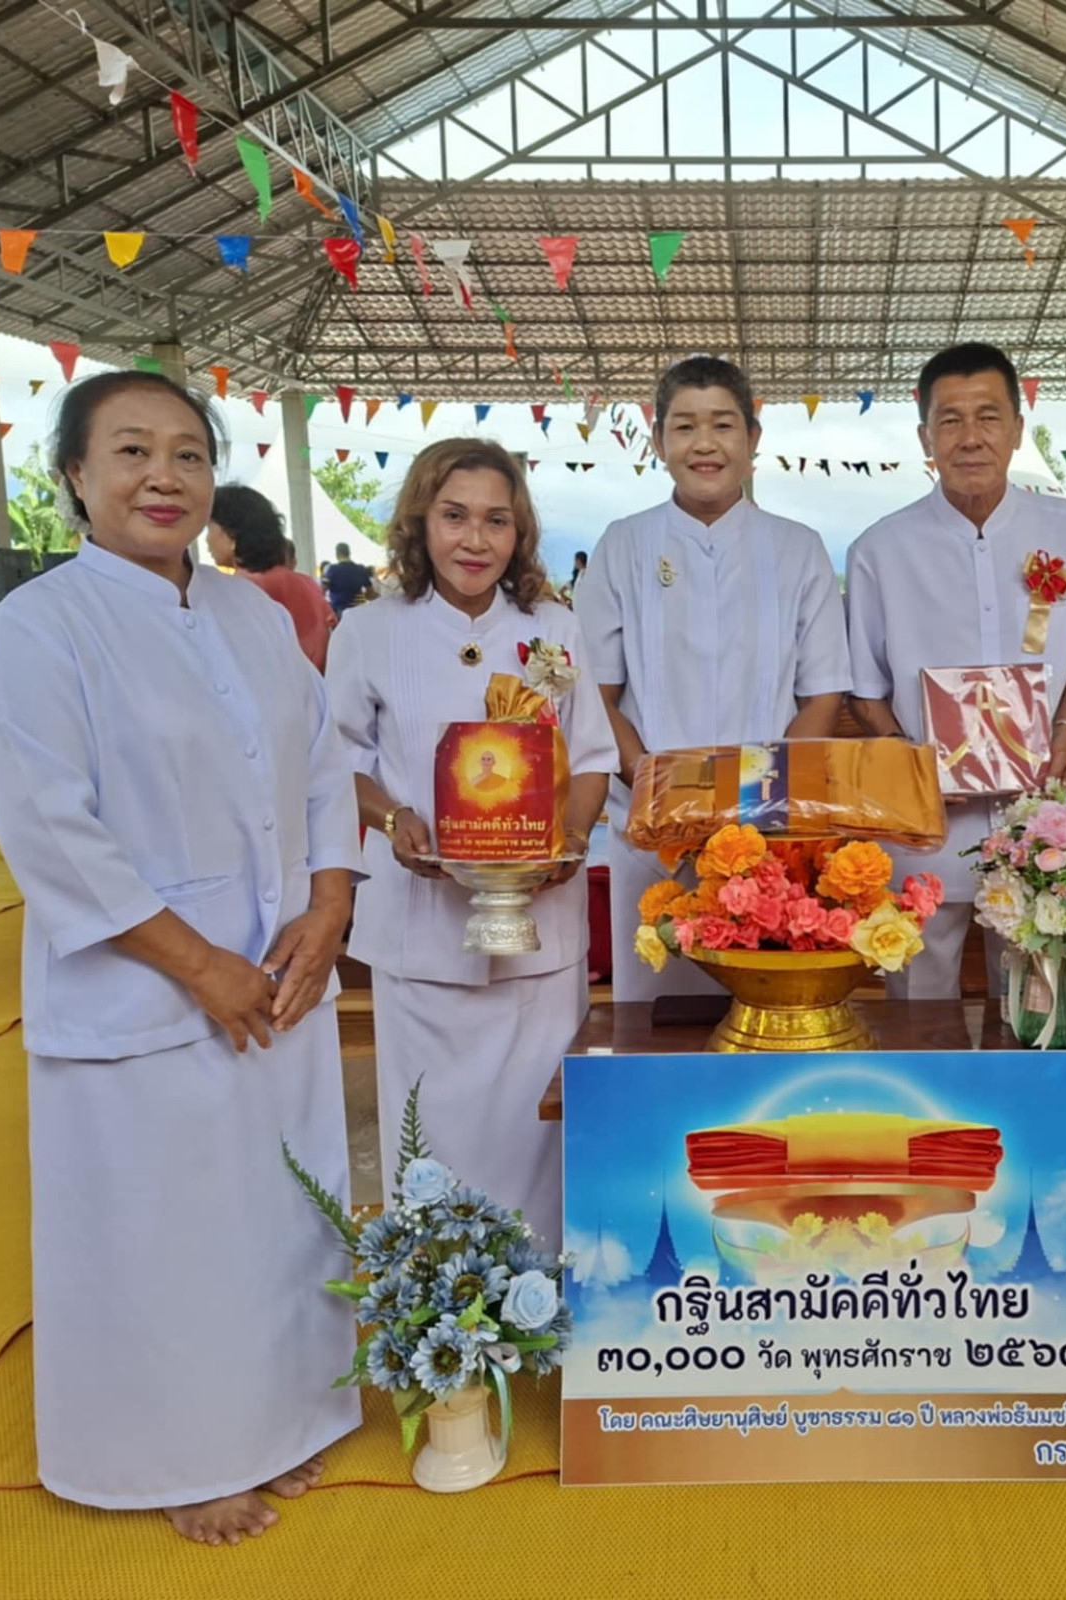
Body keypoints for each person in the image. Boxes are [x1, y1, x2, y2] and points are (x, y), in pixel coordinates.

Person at [0, 372, 361, 1547]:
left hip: (282, 975)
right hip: (145, 986)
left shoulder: (250, 614)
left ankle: (284, 1419)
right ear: (74, 478)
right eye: (131, 451)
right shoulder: (40, 625)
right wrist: (199, 965)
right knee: (160, 1227)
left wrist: (331, 902)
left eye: (187, 454)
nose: (163, 476)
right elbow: (50, 826)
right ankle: (172, 1459)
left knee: (276, 1210)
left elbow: (322, 764)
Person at [326, 439, 616, 1241]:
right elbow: (336, 759)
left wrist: (570, 834)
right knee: (432, 1135)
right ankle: (439, 1313)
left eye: (496, 520)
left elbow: (592, 756)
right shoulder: (368, 632)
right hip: (422, 929)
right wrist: (391, 820)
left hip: (539, 935)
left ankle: (540, 1320)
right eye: (454, 517)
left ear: (519, 532)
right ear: (420, 522)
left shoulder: (554, 628)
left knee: (538, 1127)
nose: (475, 540)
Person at [846, 342, 1066, 999]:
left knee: (1039, 998)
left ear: (1017, 428)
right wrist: (907, 761)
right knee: (917, 996)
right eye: (949, 420)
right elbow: (865, 690)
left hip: (1044, 812)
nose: (970, 438)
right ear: (925, 435)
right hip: (927, 821)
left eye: (987, 417)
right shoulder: (880, 550)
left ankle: (1032, 1099)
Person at [577, 354, 850, 1003]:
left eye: (723, 425)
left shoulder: (797, 547)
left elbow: (824, 694)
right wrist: (659, 796)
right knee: (654, 1018)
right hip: (649, 832)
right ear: (658, 442)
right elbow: (596, 693)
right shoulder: (623, 544)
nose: (704, 444)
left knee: (765, 1010)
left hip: (771, 832)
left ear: (753, 439)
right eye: (684, 426)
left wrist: (753, 805)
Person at [210, 485, 334, 671]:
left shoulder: (239, 590)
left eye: (209, 529)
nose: (207, 540)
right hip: (317, 691)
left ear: (231, 535)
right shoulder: (306, 583)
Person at [323, 542, 377, 615]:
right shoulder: (361, 569)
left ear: (337, 554)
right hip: (358, 611)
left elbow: (321, 591)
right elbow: (371, 594)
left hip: (340, 612)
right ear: (349, 553)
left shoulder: (332, 570)